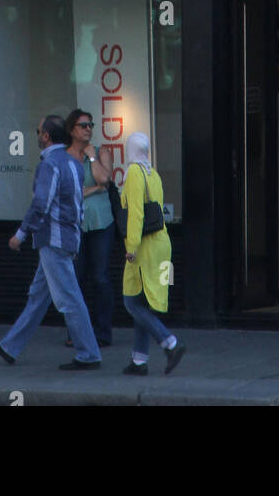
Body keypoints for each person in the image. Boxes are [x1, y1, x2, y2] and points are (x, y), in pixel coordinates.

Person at [0, 114, 102, 370]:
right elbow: (77, 203)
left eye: (38, 131)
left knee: (69, 298)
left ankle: (88, 354)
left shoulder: (50, 164)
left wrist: (20, 234)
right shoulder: (73, 163)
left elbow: (41, 204)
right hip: (65, 237)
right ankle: (10, 347)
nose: (37, 135)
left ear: (46, 136)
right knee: (38, 297)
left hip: (53, 239)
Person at [120, 131, 185, 376]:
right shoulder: (153, 173)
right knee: (141, 302)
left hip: (144, 245)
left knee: (131, 301)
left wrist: (131, 248)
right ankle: (139, 361)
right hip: (161, 242)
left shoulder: (135, 174)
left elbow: (136, 214)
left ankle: (171, 343)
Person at [65, 107, 115, 348]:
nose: (88, 129)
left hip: (101, 223)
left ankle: (103, 332)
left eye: (90, 125)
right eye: (83, 125)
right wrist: (94, 189)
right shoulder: (65, 157)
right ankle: (77, 331)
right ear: (71, 130)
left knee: (101, 277)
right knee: (75, 278)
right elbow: (70, 193)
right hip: (74, 224)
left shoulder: (101, 152)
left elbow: (104, 178)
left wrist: (92, 157)